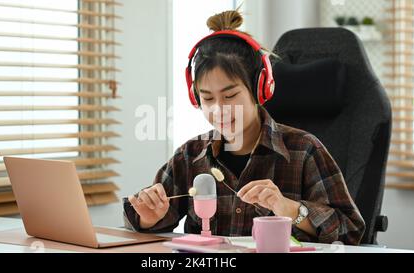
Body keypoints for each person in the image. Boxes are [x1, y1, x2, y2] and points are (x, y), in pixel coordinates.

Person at [123, 10, 365, 245]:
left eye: (230, 96)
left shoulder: (305, 150)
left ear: (260, 89)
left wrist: (290, 208)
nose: (218, 109)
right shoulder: (189, 156)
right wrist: (147, 217)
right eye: (207, 98)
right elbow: (140, 219)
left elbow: (351, 230)